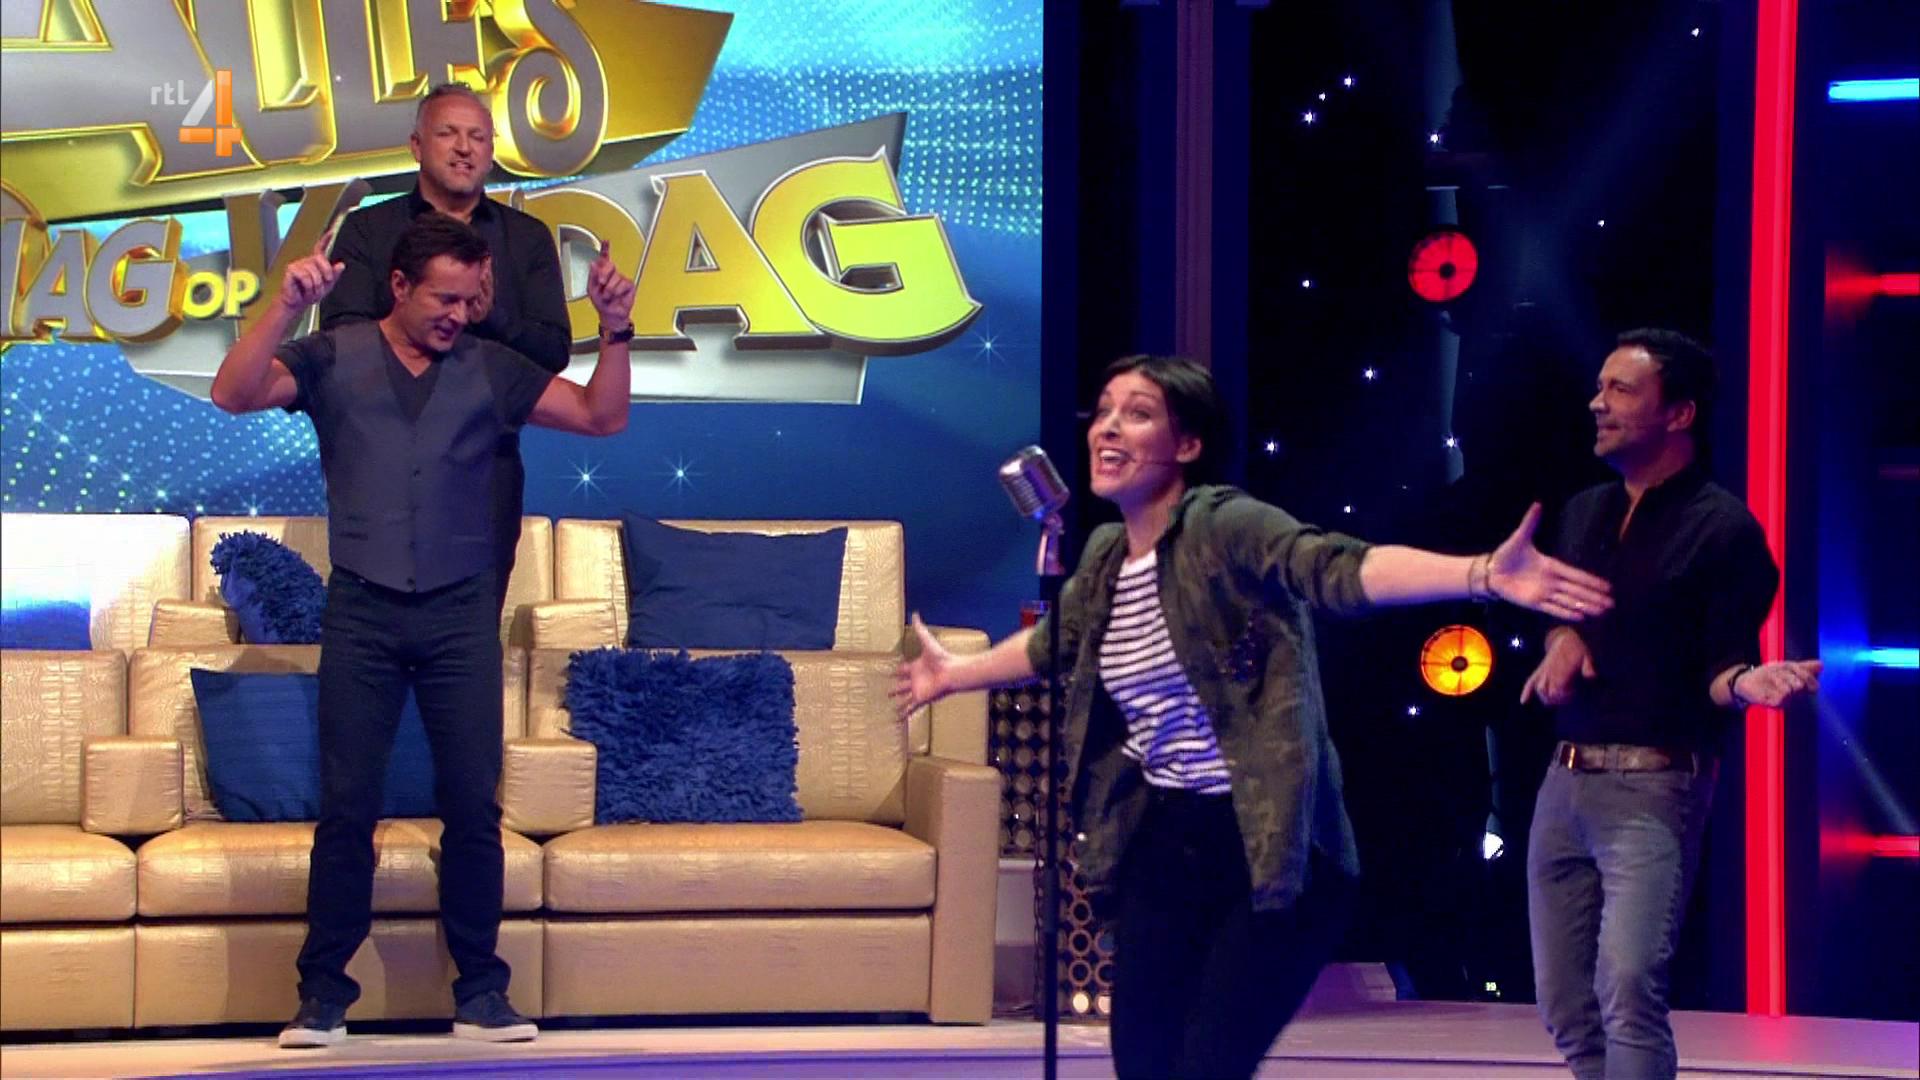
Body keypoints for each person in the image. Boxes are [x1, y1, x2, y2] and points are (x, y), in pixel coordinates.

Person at [893, 355, 1615, 1080]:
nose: (1108, 428)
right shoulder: (1108, 557)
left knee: (1208, 1064)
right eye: (1105, 410)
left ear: (1187, 444)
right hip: (1165, 835)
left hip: (1267, 843)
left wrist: (1480, 572)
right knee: (1143, 1060)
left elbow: (1337, 568)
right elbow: (1056, 642)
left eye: (1137, 414)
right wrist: (954, 674)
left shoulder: (1224, 525)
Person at [211, 213, 635, 1048]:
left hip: (459, 614)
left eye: (471, 300)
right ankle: (322, 996)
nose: (459, 314)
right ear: (399, 286)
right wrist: (284, 305)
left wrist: (616, 330)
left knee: (473, 805)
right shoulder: (331, 356)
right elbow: (234, 393)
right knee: (347, 809)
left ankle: (481, 992)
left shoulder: (492, 369)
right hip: (362, 609)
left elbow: (600, 417)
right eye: (444, 298)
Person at [1518, 329, 1822, 1080]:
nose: (1598, 403)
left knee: (1627, 988)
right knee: (1564, 1002)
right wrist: (1561, 638)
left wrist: (1748, 683)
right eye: (1600, 387)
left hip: (1654, 788)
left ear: (1678, 413)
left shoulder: (1724, 530)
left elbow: (1722, 663)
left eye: (1621, 390)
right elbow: (1562, 613)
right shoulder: (1584, 512)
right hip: (1564, 782)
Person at [320, 82, 573, 615]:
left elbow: (552, 352)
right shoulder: (368, 230)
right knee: (374, 628)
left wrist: (493, 319)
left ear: (491, 151)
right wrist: (417, 320)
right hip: (381, 463)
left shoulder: (525, 238)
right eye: (448, 134)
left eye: (478, 137)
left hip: (486, 467)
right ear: (416, 146)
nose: (464, 148)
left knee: (471, 634)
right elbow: (341, 338)